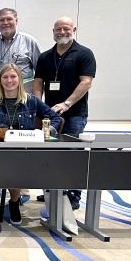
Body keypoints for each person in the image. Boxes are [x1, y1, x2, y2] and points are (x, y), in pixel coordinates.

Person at [0, 63, 62, 224]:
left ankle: (14, 203)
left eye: (13, 77)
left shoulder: (31, 101)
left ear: (20, 79)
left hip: (21, 151)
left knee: (15, 165)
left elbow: (56, 118)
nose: (9, 81)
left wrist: (47, 130)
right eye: (5, 77)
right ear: (0, 80)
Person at [33, 16, 96, 209]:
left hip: (74, 113)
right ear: (53, 31)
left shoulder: (84, 53)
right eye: (58, 29)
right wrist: (37, 105)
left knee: (73, 154)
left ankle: (73, 196)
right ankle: (53, 190)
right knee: (50, 153)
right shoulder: (45, 57)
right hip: (50, 116)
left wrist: (67, 103)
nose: (62, 32)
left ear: (74, 29)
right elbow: (38, 83)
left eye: (66, 29)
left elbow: (86, 82)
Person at [0, 8, 41, 94]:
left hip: (24, 95)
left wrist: (38, 99)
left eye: (9, 19)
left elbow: (40, 73)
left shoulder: (29, 41)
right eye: (2, 20)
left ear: (16, 21)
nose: (5, 23)